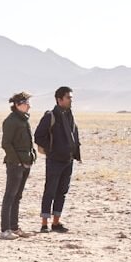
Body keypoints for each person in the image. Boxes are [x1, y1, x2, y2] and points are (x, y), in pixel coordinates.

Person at [34, 86, 81, 233]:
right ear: (59, 99)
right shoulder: (50, 116)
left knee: (62, 192)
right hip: (55, 160)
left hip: (68, 160)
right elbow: (38, 136)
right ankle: (44, 224)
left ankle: (56, 222)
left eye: (71, 98)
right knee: (50, 191)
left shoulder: (69, 115)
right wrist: (52, 149)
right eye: (68, 98)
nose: (71, 100)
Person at [0, 91, 36, 239]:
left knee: (17, 196)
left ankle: (14, 227)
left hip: (26, 162)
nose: (29, 106)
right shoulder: (11, 121)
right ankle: (5, 229)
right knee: (10, 196)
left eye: (28, 103)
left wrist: (32, 155)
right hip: (15, 164)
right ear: (17, 105)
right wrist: (18, 161)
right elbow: (6, 144)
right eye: (26, 103)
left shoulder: (23, 119)